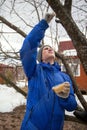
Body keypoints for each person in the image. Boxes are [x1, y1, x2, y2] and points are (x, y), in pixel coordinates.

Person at [20, 12, 77, 130]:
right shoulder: (34, 71)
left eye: (50, 48)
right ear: (40, 57)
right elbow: (27, 48)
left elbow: (72, 106)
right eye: (45, 48)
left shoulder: (65, 77)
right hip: (33, 126)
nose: (49, 49)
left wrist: (65, 97)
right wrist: (43, 25)